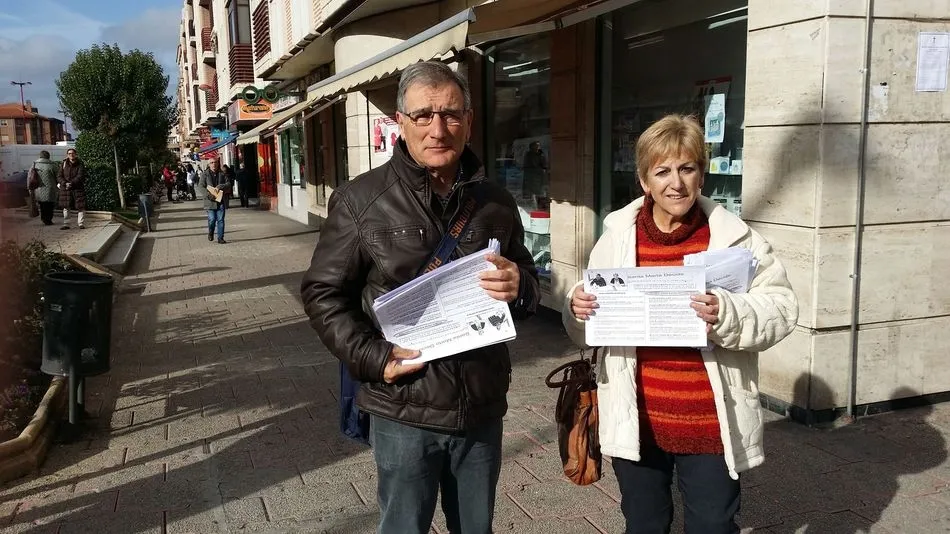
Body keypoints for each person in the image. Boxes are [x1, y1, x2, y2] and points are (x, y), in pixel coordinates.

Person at [300, 61, 540, 534]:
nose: (438, 128)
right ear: (400, 122)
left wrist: (521, 287)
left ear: (469, 121)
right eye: (424, 115)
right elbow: (322, 293)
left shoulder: (496, 201)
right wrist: (374, 357)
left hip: (481, 404)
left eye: (451, 114)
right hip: (404, 404)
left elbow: (526, 278)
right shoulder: (360, 201)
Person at [564, 115, 798, 534]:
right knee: (644, 524)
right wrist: (576, 309)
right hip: (637, 419)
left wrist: (726, 313)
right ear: (644, 181)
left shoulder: (733, 237)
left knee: (713, 525)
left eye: (687, 168)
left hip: (709, 422)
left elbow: (780, 309)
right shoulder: (618, 236)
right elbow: (587, 322)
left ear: (701, 175)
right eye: (663, 171)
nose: (676, 183)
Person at [198, 159, 232, 244]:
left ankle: (220, 238)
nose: (214, 164)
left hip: (220, 201)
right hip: (210, 201)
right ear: (209, 164)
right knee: (212, 219)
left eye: (215, 162)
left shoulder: (222, 174)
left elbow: (229, 184)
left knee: (220, 220)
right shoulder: (204, 175)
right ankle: (211, 232)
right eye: (212, 163)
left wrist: (221, 186)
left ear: (218, 164)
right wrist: (208, 195)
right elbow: (201, 187)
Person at [58, 148, 87, 230]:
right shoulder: (63, 164)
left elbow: (80, 176)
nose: (71, 155)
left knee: (80, 206)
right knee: (66, 207)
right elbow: (59, 176)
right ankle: (66, 224)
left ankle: (81, 223)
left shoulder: (80, 164)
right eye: (69, 153)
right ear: (67, 155)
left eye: (73, 153)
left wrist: (71, 183)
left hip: (77, 188)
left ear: (76, 154)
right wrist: (64, 183)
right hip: (65, 188)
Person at [32, 150, 58, 225]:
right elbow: (57, 176)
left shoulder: (35, 164)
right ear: (48, 156)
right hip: (50, 188)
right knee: (49, 205)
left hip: (38, 188)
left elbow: (30, 176)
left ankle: (43, 218)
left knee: (42, 205)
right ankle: (48, 219)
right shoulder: (52, 165)